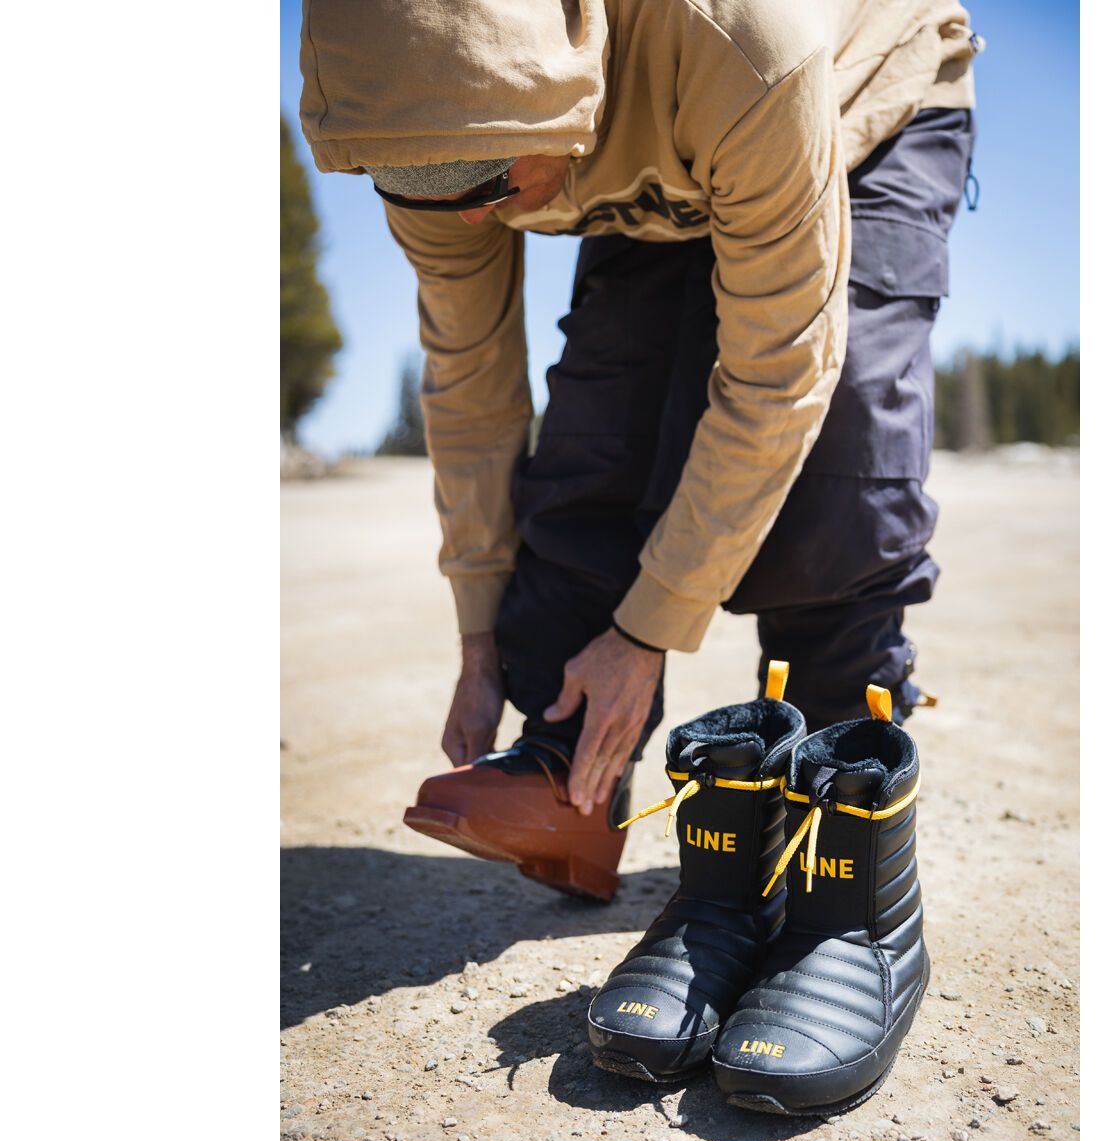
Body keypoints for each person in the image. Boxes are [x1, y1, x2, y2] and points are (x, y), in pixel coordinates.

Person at [297, 0, 980, 900]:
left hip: (853, 96)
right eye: (414, 187)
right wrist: (478, 637)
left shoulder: (740, 43)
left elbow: (780, 377)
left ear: (558, 82)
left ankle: (839, 814)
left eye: (484, 182)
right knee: (600, 427)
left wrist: (650, 627)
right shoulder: (418, 136)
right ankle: (567, 770)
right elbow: (472, 390)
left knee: (841, 449)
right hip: (644, 152)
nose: (465, 220)